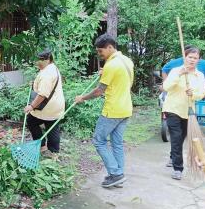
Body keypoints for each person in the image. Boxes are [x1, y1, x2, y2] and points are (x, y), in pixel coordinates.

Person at [74, 34, 134, 188]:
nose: (99, 54)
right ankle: (118, 175)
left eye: (101, 51)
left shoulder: (111, 65)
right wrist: (104, 73)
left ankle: (115, 173)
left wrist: (82, 98)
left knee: (98, 140)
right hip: (126, 108)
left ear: (110, 47)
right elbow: (121, 80)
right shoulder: (126, 61)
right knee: (117, 143)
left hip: (112, 110)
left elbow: (99, 91)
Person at [162, 46, 205, 180]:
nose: (192, 60)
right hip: (173, 109)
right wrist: (179, 74)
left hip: (188, 112)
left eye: (195, 58)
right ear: (185, 57)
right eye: (190, 57)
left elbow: (201, 94)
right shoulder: (176, 71)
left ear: (199, 60)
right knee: (176, 137)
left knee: (181, 138)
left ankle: (172, 156)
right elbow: (166, 87)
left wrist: (193, 93)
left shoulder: (200, 75)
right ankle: (178, 168)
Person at [23, 49, 65, 156]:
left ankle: (43, 146)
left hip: (47, 107)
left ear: (47, 60)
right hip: (55, 106)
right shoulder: (51, 67)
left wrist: (31, 106)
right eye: (36, 60)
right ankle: (53, 152)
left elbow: (42, 94)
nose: (37, 63)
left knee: (32, 121)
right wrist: (35, 84)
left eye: (40, 60)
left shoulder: (47, 73)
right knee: (52, 127)